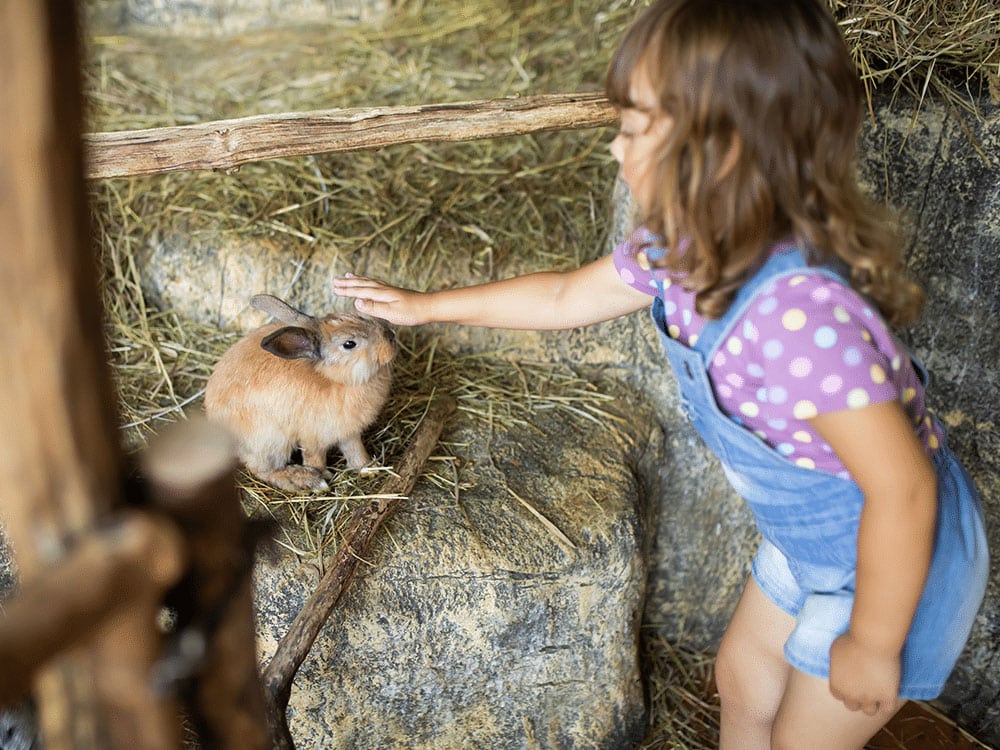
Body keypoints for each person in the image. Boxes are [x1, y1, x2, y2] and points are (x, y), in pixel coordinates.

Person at [333, 0, 989, 747]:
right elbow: (563, 296)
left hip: (888, 561)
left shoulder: (797, 320)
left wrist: (873, 643)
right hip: (812, 538)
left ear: (725, 150)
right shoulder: (679, 249)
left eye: (637, 128)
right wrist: (427, 307)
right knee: (741, 680)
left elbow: (901, 489)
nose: (616, 149)